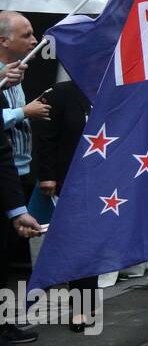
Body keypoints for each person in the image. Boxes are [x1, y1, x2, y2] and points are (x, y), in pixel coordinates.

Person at [32, 76, 97, 330]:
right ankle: (80, 306)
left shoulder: (112, 93)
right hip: (69, 180)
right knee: (78, 244)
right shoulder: (61, 92)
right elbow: (45, 135)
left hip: (105, 183)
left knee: (92, 244)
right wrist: (47, 175)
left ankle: (88, 305)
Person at [0, 11, 48, 346]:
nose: (34, 41)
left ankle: (4, 324)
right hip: (5, 180)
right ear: (4, 40)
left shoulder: (14, 75)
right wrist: (22, 112)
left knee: (6, 260)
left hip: (16, 174)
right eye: (27, 34)